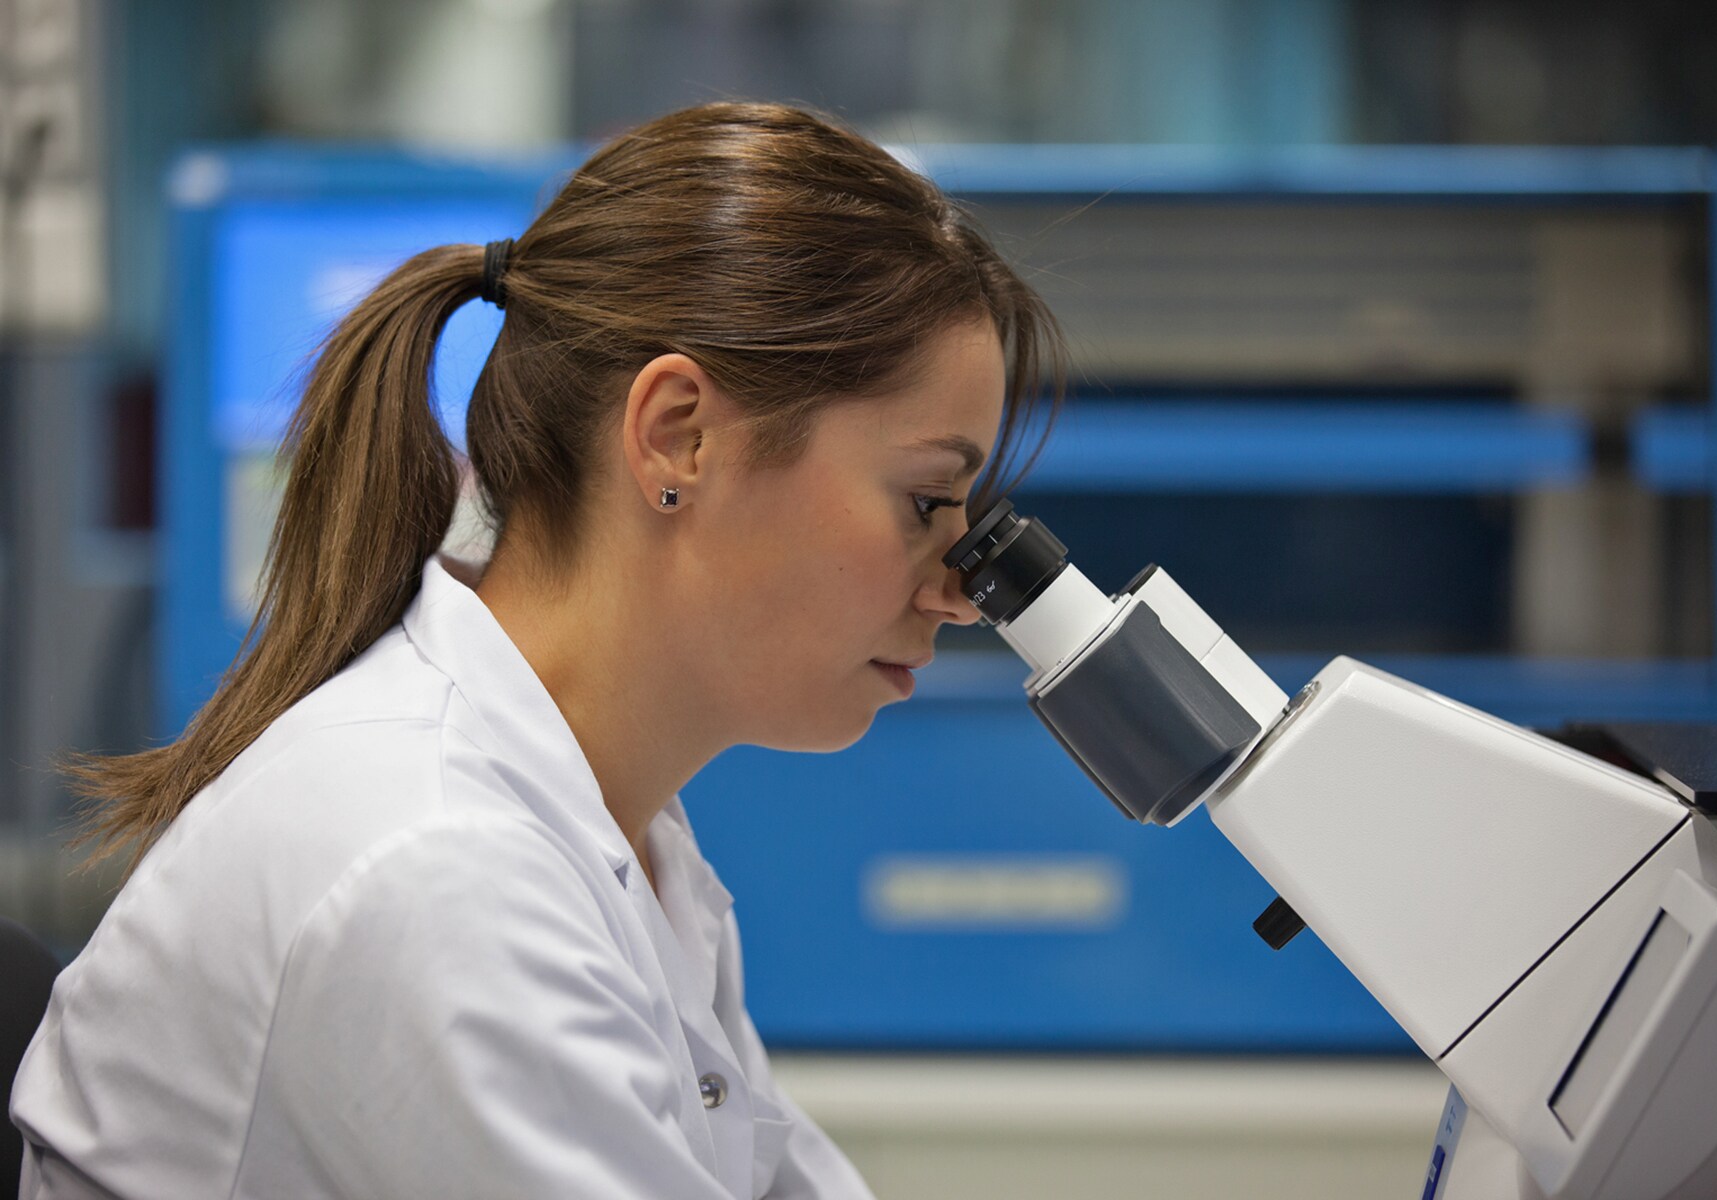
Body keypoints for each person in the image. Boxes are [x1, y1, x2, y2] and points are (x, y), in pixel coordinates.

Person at [8, 102, 1063, 1199]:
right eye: (927, 499)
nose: (961, 592)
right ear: (677, 435)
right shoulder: (438, 864)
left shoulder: (621, 844)